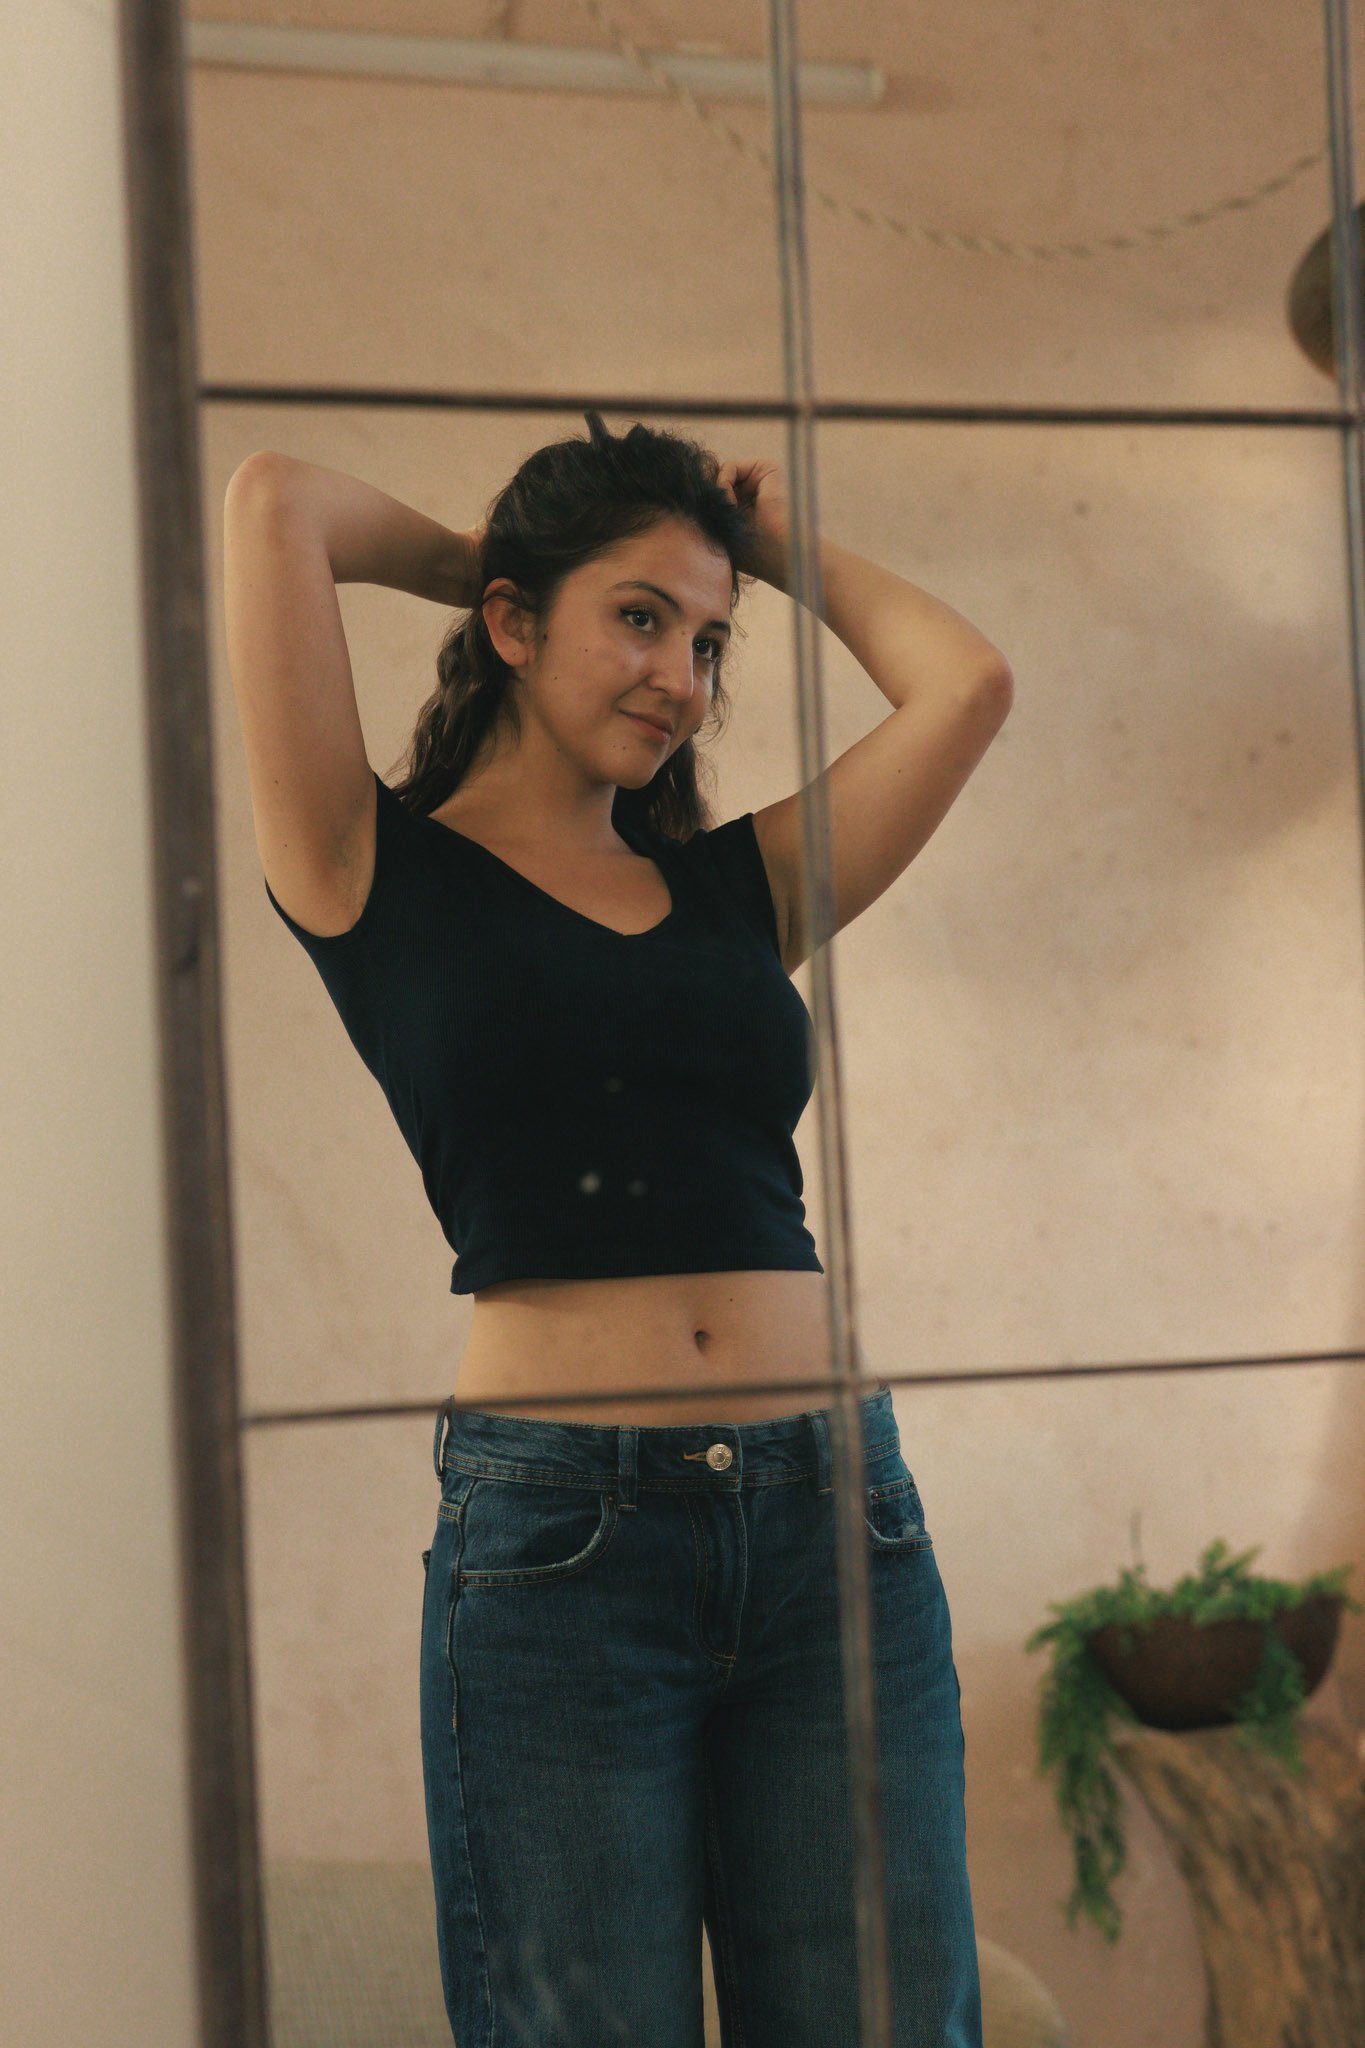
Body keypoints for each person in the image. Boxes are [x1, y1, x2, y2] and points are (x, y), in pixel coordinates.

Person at [223, 410, 1012, 2046]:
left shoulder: (736, 889)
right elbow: (276, 502)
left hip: (833, 1521)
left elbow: (965, 687)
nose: (680, 678)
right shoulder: (365, 865)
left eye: (709, 643)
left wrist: (769, 546)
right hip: (562, 1549)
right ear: (513, 627)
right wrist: (486, 558)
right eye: (638, 619)